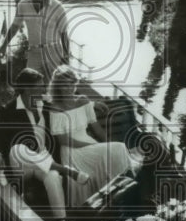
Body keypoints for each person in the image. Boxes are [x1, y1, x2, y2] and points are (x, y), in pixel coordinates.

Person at [0, 68, 89, 221]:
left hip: (44, 159)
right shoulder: (8, 110)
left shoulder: (46, 104)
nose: (43, 89)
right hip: (21, 164)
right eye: (39, 86)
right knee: (18, 149)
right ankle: (66, 170)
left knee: (53, 177)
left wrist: (93, 105)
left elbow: (69, 101)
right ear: (27, 89)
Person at [45, 65, 132, 208]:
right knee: (120, 148)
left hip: (89, 144)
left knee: (116, 149)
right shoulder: (55, 107)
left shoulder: (83, 100)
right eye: (65, 85)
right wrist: (92, 146)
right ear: (58, 86)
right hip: (72, 150)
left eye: (72, 83)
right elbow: (63, 140)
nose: (69, 88)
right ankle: (122, 190)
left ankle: (120, 193)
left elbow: (97, 129)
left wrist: (107, 145)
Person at [0, 0, 70, 80]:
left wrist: (66, 56)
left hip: (54, 53)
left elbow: (64, 34)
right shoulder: (23, 5)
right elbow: (14, 27)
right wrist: (3, 47)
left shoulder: (58, 7)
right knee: (29, 86)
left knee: (54, 88)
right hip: (33, 53)